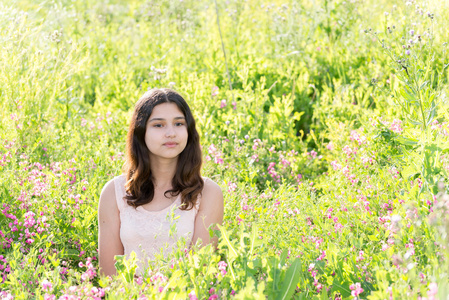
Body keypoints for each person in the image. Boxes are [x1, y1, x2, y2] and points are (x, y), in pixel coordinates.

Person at [98, 88, 224, 277]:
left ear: (188, 130)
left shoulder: (208, 193)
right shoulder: (114, 192)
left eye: (179, 123)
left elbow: (201, 274)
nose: (171, 133)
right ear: (141, 132)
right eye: (159, 125)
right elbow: (110, 277)